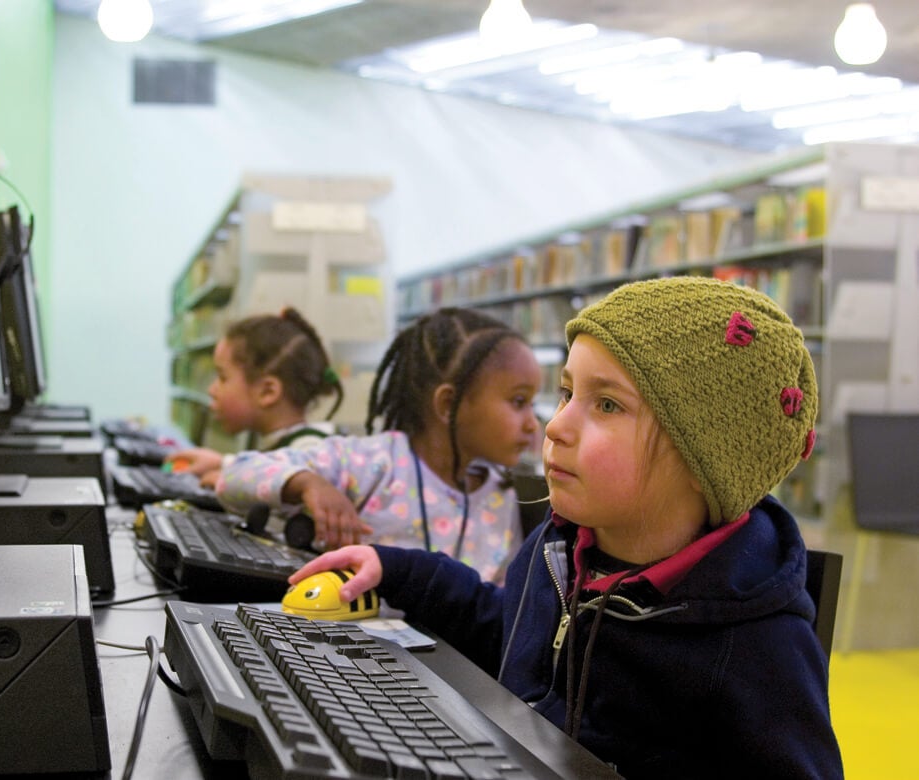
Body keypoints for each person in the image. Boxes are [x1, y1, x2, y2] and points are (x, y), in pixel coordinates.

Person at [288, 276, 843, 779]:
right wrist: (397, 568)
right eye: (566, 392)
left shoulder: (755, 646)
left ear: (704, 461)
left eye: (605, 404)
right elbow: (508, 635)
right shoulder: (559, 548)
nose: (555, 426)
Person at [215, 307, 543, 583]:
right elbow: (234, 476)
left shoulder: (501, 494)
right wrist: (305, 483)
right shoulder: (371, 462)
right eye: (518, 402)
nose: (533, 423)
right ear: (447, 404)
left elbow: (501, 601)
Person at [167, 307, 343, 487]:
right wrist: (221, 463)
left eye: (222, 377)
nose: (212, 390)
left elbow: (283, 481)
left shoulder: (311, 453)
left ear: (268, 392)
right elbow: (269, 469)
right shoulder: (285, 446)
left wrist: (233, 482)